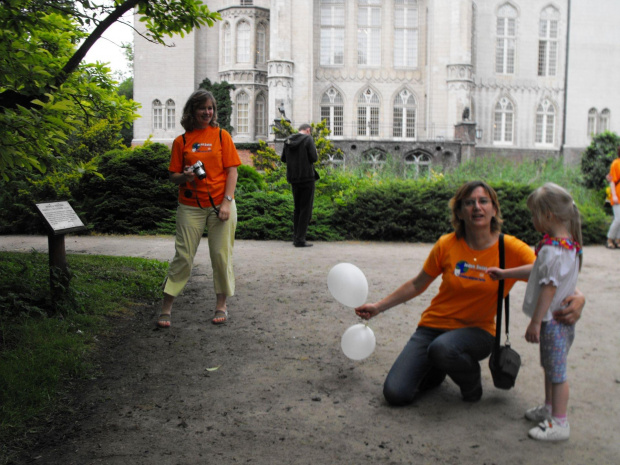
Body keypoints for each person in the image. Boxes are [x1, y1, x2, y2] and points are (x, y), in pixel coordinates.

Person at [354, 180, 585, 406]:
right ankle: (439, 366)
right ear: (460, 212)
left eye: (484, 201)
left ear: (494, 209)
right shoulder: (447, 244)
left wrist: (579, 297)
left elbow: (553, 272)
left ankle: (471, 384)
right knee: (395, 393)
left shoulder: (510, 247)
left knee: (442, 348)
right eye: (469, 203)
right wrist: (377, 307)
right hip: (432, 328)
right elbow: (417, 284)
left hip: (478, 332)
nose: (477, 207)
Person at [487, 183, 582, 441]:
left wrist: (536, 323)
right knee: (551, 368)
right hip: (558, 320)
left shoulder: (553, 250)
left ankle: (559, 423)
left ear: (548, 216)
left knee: (557, 373)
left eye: (534, 214)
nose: (532, 219)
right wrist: (505, 273)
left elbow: (548, 289)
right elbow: (537, 272)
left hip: (552, 321)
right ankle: (550, 410)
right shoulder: (567, 246)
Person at [158, 89, 241, 328]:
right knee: (183, 256)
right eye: (203, 108)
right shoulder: (181, 141)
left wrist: (227, 201)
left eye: (210, 108)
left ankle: (221, 305)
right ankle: (166, 307)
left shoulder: (222, 136)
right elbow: (172, 176)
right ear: (192, 111)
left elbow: (232, 171)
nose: (207, 112)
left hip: (220, 205)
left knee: (221, 255)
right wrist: (184, 176)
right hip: (190, 206)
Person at [281, 123, 318, 248]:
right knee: (306, 209)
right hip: (307, 177)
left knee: (297, 208)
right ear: (308, 130)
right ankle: (300, 239)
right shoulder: (308, 139)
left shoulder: (288, 140)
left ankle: (296, 237)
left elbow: (283, 159)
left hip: (293, 178)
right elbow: (314, 158)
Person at [605, 147, 620, 249]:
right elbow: (612, 181)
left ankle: (618, 240)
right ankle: (610, 238)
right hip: (617, 196)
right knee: (618, 219)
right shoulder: (616, 163)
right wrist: (614, 195)